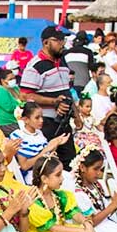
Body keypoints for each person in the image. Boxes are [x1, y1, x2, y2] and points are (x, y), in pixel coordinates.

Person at [20, 27, 74, 169]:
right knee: (47, 164)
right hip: (46, 122)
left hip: (65, 121)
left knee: (70, 162)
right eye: (57, 40)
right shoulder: (35, 66)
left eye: (63, 40)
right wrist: (53, 102)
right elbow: (25, 95)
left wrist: (77, 115)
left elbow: (66, 91)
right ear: (45, 43)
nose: (62, 44)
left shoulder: (62, 62)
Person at [10, 102, 69, 184]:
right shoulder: (19, 136)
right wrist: (46, 149)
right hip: (32, 176)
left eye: (42, 117)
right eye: (37, 118)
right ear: (26, 119)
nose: (41, 120)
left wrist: (56, 143)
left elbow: (47, 154)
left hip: (46, 171)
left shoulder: (39, 133)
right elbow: (24, 166)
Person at [0, 69, 22, 136]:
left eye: (14, 78)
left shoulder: (15, 88)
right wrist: (20, 104)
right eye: (10, 79)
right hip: (7, 123)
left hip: (19, 121)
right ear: (3, 80)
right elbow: (9, 108)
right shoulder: (0, 91)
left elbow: (24, 99)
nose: (13, 80)